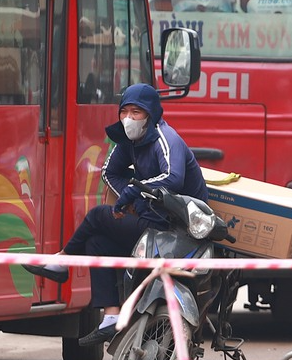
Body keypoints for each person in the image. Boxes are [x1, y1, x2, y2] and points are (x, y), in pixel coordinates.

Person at [24, 83, 209, 345]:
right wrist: (129, 194)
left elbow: (174, 178)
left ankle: (64, 260)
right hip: (151, 220)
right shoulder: (128, 140)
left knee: (99, 215)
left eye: (136, 112)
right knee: (96, 243)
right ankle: (111, 316)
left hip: (175, 226)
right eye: (124, 112)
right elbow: (109, 172)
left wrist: (133, 193)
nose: (128, 119)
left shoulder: (167, 139)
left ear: (151, 114)